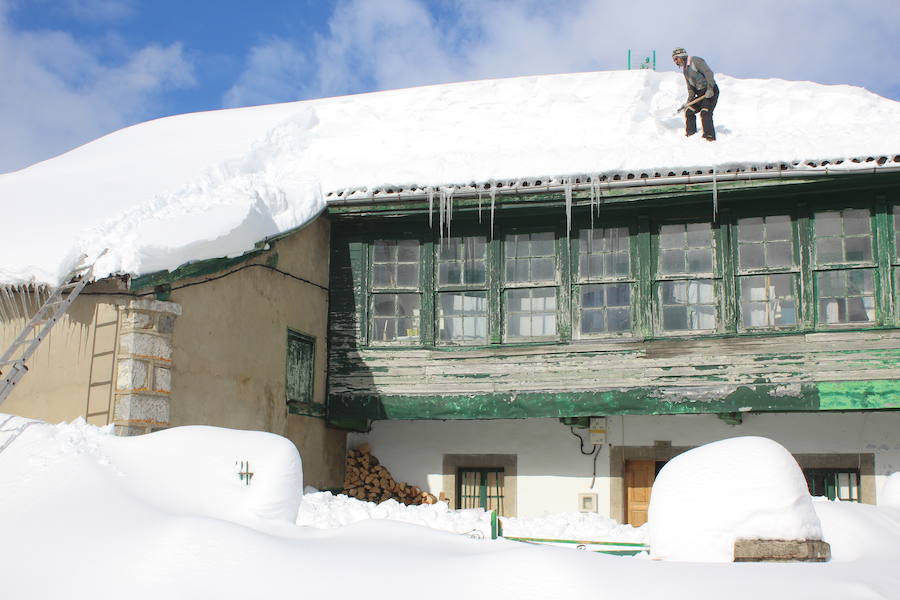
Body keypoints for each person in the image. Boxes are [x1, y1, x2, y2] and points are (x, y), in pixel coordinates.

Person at [672, 48, 718, 141]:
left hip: (710, 91)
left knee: (705, 112)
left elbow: (709, 73)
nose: (675, 61)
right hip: (700, 94)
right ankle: (691, 134)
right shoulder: (685, 70)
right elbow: (691, 88)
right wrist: (688, 101)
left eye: (676, 59)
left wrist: (710, 89)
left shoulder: (695, 61)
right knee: (689, 110)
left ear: (682, 56)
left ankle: (709, 137)